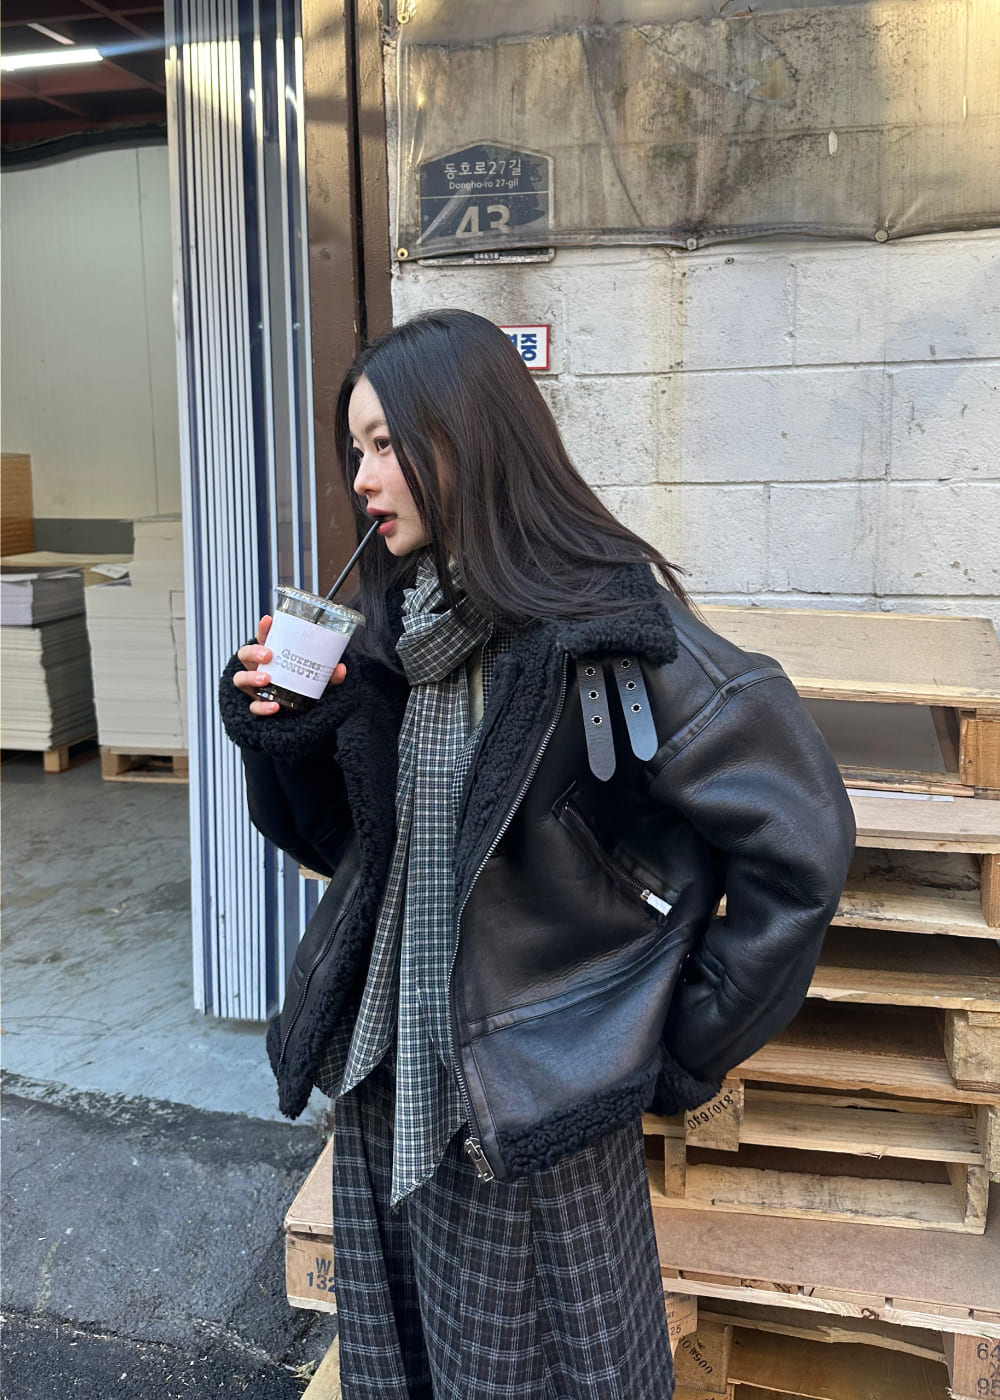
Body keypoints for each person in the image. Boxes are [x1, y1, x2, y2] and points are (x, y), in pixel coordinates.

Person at [220, 308, 855, 1400]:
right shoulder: (399, 630)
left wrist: (666, 1043)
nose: (361, 478)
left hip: (531, 1111)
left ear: (468, 437)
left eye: (386, 444)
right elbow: (349, 852)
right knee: (408, 1367)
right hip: (390, 1088)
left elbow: (800, 842)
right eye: (355, 448)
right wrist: (288, 740)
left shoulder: (607, 630)